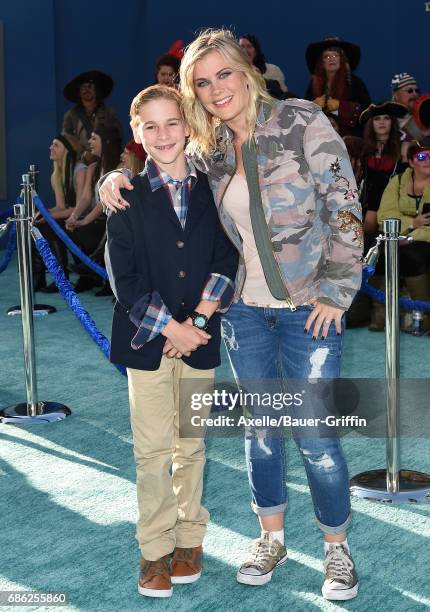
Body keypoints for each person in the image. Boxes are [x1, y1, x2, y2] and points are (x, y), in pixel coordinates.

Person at [98, 29, 363, 601]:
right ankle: (271, 539)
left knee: (315, 434)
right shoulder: (207, 145)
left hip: (305, 310)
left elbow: (343, 204)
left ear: (246, 70)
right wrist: (111, 179)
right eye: (202, 81)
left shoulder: (300, 121)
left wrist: (337, 290)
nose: (216, 88)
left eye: (224, 73)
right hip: (242, 313)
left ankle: (336, 550)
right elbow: (158, 171)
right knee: (261, 433)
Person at [104, 84, 238, 598]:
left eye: (172, 123)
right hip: (147, 342)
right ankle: (154, 551)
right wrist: (172, 328)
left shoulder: (213, 188)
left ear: (188, 126)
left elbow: (228, 260)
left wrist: (199, 322)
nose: (163, 135)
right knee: (152, 450)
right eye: (150, 126)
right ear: (137, 134)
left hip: (200, 338)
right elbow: (126, 280)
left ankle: (190, 539)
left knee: (192, 444)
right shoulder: (124, 196)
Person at [348, 102, 409, 331]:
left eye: (386, 118)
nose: (382, 122)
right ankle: (366, 308)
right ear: (370, 124)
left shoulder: (405, 149)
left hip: (395, 211)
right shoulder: (362, 153)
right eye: (376, 119)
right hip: (367, 208)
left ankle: (382, 309)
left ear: (392, 123)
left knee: (378, 245)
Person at [378, 142, 430, 333]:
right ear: (410, 161)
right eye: (422, 157)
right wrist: (411, 222)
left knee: (411, 253)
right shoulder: (398, 181)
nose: (428, 161)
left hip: (420, 240)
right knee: (393, 253)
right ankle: (387, 317)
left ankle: (424, 317)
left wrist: (411, 236)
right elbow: (384, 217)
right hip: (400, 240)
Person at [66, 126, 121, 292]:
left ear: (106, 142)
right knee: (70, 228)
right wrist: (74, 217)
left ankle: (94, 270)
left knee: (85, 229)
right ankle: (91, 272)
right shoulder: (92, 168)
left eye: (94, 139)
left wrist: (84, 221)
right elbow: (85, 198)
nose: (89, 142)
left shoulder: (117, 167)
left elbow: (102, 203)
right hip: (98, 218)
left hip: (111, 217)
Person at [33, 133, 86, 292]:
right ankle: (39, 278)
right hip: (70, 217)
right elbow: (61, 207)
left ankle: (61, 279)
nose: (51, 148)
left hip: (85, 218)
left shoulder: (80, 170)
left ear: (67, 150)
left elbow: (78, 208)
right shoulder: (56, 175)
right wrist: (41, 214)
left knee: (48, 225)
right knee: (37, 225)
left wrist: (47, 216)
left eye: (56, 145)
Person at [305, 36, 370, 136]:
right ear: (321, 63)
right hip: (319, 138)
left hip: (348, 140)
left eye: (335, 55)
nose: (331, 59)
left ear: (342, 60)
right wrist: (313, 106)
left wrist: (340, 108)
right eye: (327, 56)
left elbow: (366, 112)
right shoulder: (313, 85)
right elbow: (303, 116)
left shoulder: (355, 83)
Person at [62, 70, 122, 150]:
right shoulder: (70, 116)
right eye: (83, 87)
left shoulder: (109, 114)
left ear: (96, 91)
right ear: (79, 92)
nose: (87, 90)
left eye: (90, 86)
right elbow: (66, 141)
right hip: (79, 160)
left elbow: (116, 139)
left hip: (105, 159)